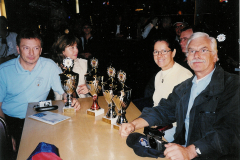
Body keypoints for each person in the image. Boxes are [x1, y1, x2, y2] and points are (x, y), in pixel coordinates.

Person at [119, 32, 240, 159]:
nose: (196, 55)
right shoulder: (184, 87)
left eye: (203, 50)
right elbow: (164, 110)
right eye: (191, 51)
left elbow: (229, 131)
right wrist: (133, 125)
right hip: (182, 151)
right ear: (187, 57)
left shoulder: (233, 85)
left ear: (215, 56)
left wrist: (191, 151)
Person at [0, 29, 80, 157]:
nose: (31, 53)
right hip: (11, 122)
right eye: (26, 48)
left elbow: (63, 91)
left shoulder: (49, 66)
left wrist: (71, 98)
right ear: (17, 49)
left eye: (36, 48)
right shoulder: (3, 71)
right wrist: (4, 133)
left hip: (39, 118)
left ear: (41, 50)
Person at [134, 35, 193, 142]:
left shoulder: (184, 76)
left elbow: (179, 114)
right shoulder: (159, 75)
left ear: (173, 53)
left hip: (176, 128)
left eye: (164, 51)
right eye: (156, 52)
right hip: (158, 122)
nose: (159, 55)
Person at [52, 34, 89, 98]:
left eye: (76, 47)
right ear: (63, 51)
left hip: (82, 102)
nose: (76, 50)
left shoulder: (83, 64)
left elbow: (93, 84)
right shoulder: (53, 68)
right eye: (72, 47)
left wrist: (89, 88)